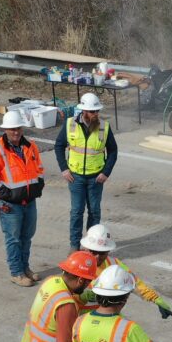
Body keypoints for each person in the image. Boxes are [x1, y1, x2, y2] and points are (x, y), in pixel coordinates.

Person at [0, 109, 45, 286]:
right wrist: (8, 196)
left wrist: (37, 187)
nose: (16, 132)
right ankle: (16, 272)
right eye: (12, 129)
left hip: (29, 201)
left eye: (18, 128)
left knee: (27, 236)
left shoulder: (30, 146)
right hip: (11, 205)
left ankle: (25, 269)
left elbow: (39, 168)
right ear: (5, 130)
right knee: (13, 238)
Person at [54, 92, 118, 252]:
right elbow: (59, 145)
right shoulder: (70, 124)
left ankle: (93, 246)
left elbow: (113, 151)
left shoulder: (104, 126)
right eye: (92, 111)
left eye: (97, 111)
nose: (95, 114)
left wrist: (106, 172)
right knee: (76, 212)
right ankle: (74, 246)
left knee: (94, 212)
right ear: (84, 111)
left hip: (96, 178)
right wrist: (64, 168)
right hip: (75, 177)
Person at [79, 224, 172, 318]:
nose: (97, 257)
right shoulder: (75, 264)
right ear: (85, 248)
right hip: (80, 318)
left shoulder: (113, 264)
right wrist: (81, 297)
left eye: (102, 253)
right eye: (94, 252)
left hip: (106, 315)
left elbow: (135, 282)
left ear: (108, 251)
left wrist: (155, 299)